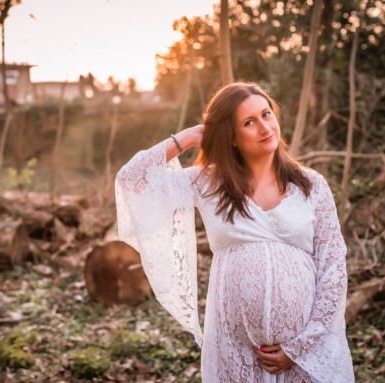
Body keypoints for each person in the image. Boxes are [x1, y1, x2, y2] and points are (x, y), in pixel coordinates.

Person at [115, 82, 355, 382]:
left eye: (267, 114)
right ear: (232, 137)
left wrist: (300, 346)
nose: (264, 127)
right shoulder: (208, 183)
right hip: (235, 349)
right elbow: (131, 180)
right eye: (248, 122)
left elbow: (333, 266)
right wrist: (190, 137)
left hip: (303, 351)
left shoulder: (311, 185)